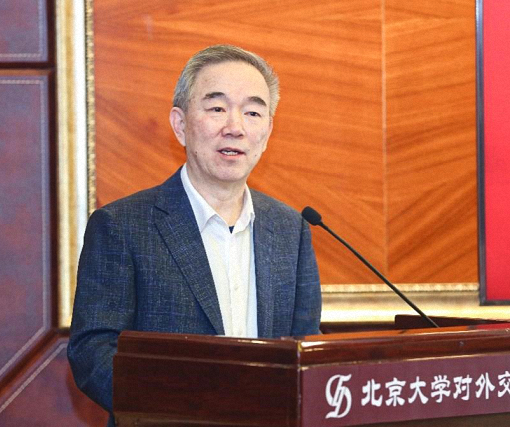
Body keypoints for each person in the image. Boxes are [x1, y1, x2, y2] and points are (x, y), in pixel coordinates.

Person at [67, 44, 322, 424]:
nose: (235, 127)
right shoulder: (122, 225)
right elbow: (93, 352)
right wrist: (180, 409)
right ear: (180, 124)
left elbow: (307, 347)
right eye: (217, 108)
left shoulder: (291, 230)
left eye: (253, 112)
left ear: (268, 132)